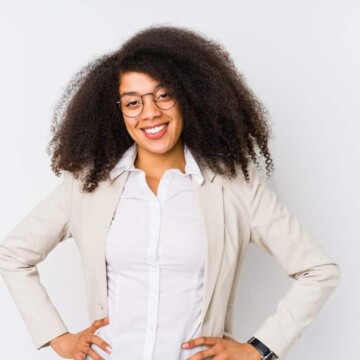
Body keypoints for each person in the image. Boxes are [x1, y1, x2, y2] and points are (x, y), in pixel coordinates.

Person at [0, 25, 340, 360]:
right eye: (133, 102)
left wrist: (259, 349)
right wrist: (57, 336)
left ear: (189, 98)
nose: (150, 113)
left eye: (163, 95)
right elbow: (12, 255)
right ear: (117, 111)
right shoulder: (89, 186)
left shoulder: (235, 187)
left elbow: (318, 270)